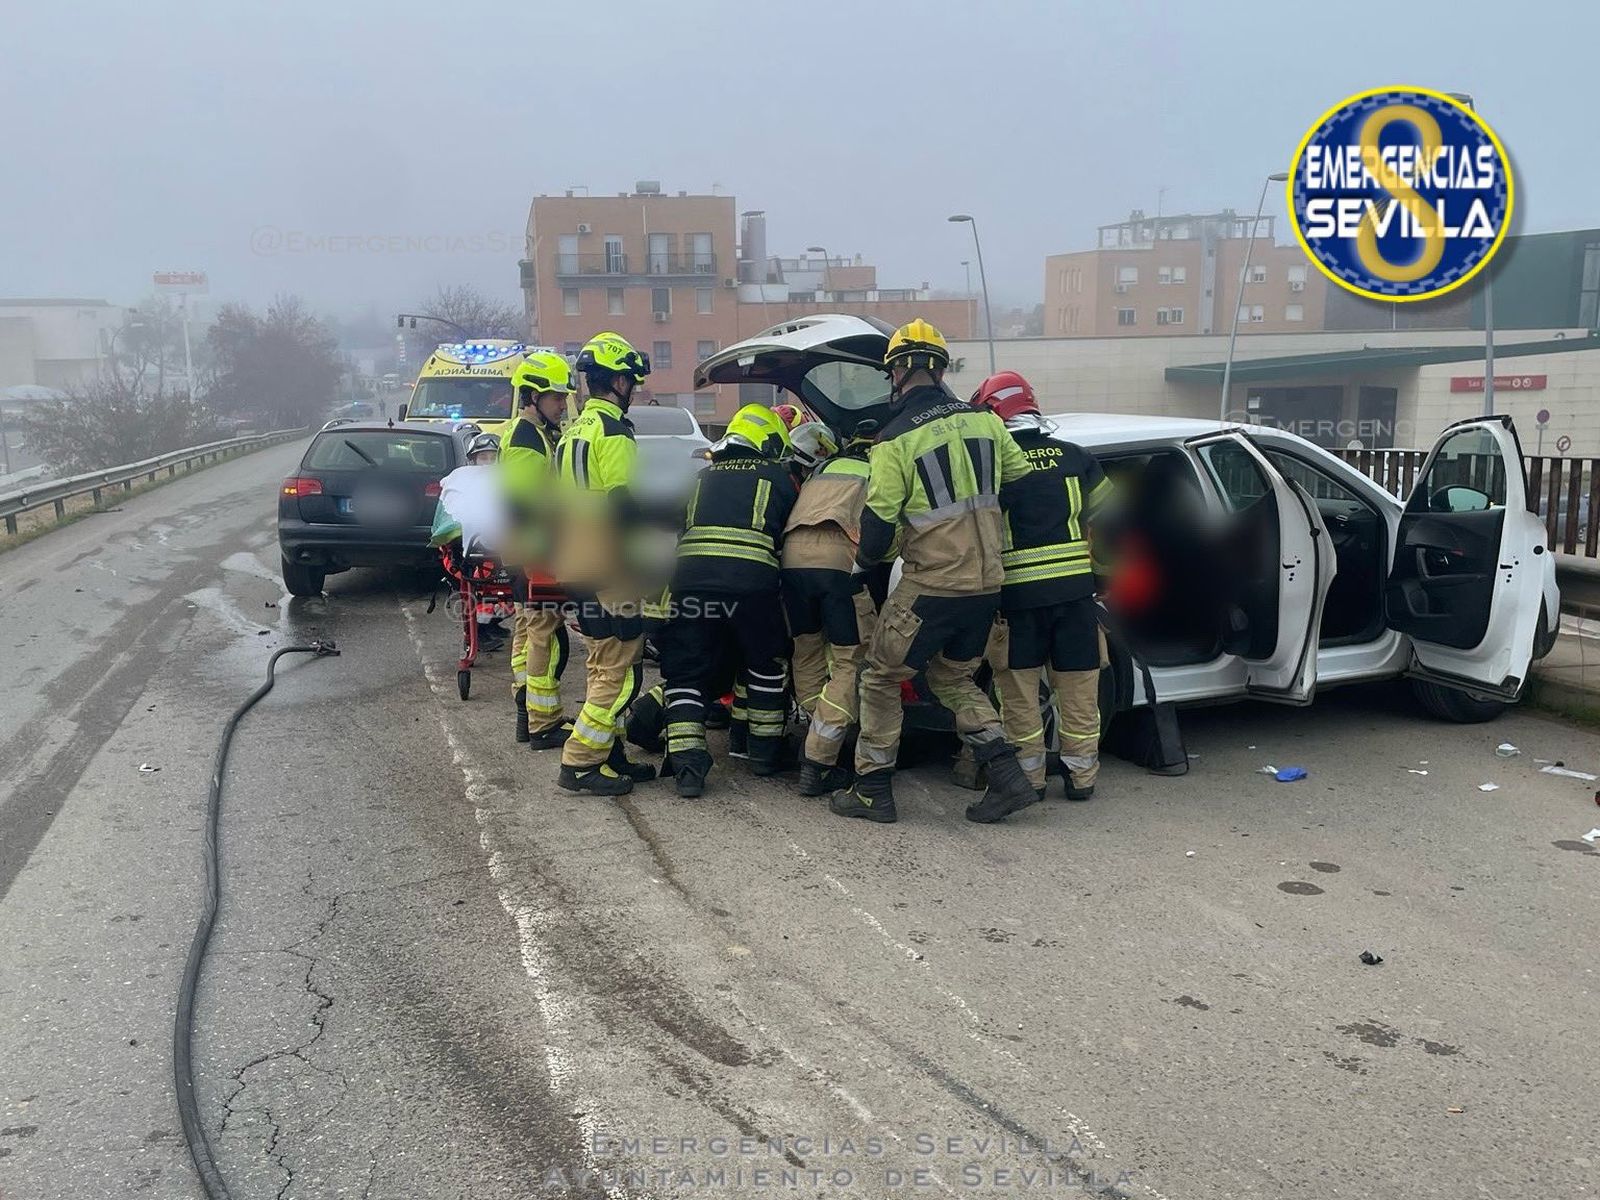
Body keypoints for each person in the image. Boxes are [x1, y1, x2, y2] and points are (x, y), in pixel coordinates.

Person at [828, 319, 1038, 826]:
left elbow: (878, 530)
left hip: (930, 588)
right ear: (940, 370)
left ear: (897, 372)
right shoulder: (987, 422)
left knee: (881, 677)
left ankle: (872, 789)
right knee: (953, 677)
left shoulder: (894, 440)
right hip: (985, 587)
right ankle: (1008, 777)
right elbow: (1021, 483)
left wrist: (861, 569)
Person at [970, 370, 1113, 800]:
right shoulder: (1078, 457)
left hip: (1017, 604)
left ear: (993, 414)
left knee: (1018, 696)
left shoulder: (992, 467)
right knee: (1079, 693)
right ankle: (1082, 779)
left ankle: (1029, 780)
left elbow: (975, 534)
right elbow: (1115, 525)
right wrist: (1100, 578)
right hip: (1075, 601)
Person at [657, 404, 798, 796]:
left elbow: (679, 524)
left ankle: (688, 765)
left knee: (685, 672)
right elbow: (791, 537)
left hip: (690, 584)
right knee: (765, 665)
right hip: (752, 586)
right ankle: (764, 754)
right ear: (769, 443)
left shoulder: (700, 477)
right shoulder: (780, 477)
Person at [551, 332, 657, 796]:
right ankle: (579, 761)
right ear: (617, 381)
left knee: (600, 661)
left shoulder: (571, 431)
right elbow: (622, 507)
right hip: (609, 565)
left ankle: (610, 755)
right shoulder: (614, 430)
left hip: (573, 563)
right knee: (621, 665)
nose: (634, 390)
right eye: (632, 381)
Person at [779, 419, 879, 797]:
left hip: (792, 564)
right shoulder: (878, 468)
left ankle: (817, 720)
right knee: (849, 661)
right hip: (837, 567)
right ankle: (818, 759)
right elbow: (884, 529)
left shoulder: (824, 470)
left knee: (806, 652)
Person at [503, 352, 574, 750]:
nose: (562, 404)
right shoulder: (527, 438)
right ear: (531, 396)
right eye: (555, 397)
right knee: (544, 636)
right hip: (534, 550)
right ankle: (542, 722)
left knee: (528, 632)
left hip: (524, 549)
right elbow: (523, 504)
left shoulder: (531, 433)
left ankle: (526, 711)